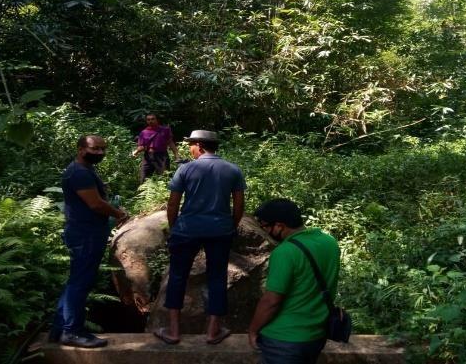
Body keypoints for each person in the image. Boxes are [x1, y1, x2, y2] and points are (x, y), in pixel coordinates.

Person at [154, 130, 246, 345]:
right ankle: (213, 331)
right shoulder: (233, 170)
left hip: (187, 229)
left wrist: (175, 227)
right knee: (217, 277)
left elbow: (173, 203)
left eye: (191, 145)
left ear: (200, 146)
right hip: (220, 230)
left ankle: (173, 331)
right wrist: (230, 226)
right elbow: (239, 205)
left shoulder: (186, 169)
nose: (190, 149)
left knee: (177, 276)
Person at [50, 135, 128, 348]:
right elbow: (95, 204)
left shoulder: (85, 170)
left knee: (77, 280)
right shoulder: (79, 173)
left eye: (103, 149)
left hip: (88, 232)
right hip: (85, 234)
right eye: (95, 149)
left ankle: (59, 329)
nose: (100, 153)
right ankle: (72, 331)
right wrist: (118, 213)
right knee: (80, 282)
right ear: (81, 149)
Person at [248, 199, 340, 364]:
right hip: (317, 335)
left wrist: (253, 330)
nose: (264, 231)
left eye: (265, 226)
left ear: (279, 226)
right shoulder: (330, 242)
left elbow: (271, 301)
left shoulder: (284, 252)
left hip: (283, 340)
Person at [132, 113, 180, 184]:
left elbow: (170, 143)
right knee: (143, 178)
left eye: (152, 119)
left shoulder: (165, 130)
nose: (150, 121)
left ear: (157, 120)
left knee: (165, 178)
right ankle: (144, 191)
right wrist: (136, 151)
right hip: (148, 156)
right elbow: (141, 147)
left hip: (162, 156)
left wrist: (176, 154)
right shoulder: (143, 132)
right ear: (146, 121)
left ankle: (164, 191)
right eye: (148, 120)